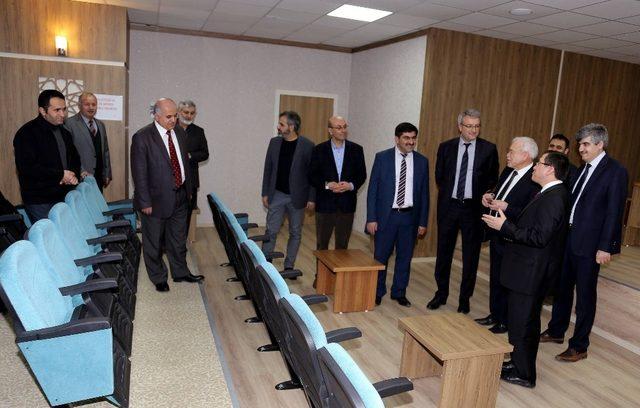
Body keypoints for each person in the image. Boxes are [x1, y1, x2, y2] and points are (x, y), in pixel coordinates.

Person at [483, 151, 570, 388]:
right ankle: (517, 362)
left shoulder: (555, 197)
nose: (534, 168)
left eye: (539, 164)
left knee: (523, 325)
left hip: (531, 272)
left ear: (550, 169)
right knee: (520, 322)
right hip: (525, 270)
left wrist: (504, 227)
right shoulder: (548, 193)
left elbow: (539, 237)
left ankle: (524, 374)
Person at [541, 123, 628, 362]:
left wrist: (605, 247)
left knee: (585, 298)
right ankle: (556, 330)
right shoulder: (582, 169)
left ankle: (579, 346)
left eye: (586, 144)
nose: (581, 148)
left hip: (590, 246)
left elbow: (614, 212)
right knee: (562, 290)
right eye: (580, 144)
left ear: (600, 144)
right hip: (569, 240)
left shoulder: (615, 171)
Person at [428, 109, 499, 314]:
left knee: (471, 256)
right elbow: (440, 176)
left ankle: (464, 298)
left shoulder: (488, 149)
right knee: (444, 252)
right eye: (469, 126)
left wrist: (485, 193)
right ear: (460, 127)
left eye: (477, 126)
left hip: (473, 209)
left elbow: (493, 178)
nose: (473, 130)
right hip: (449, 207)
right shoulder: (446, 147)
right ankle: (441, 293)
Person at [131, 98, 204, 292]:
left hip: (180, 195)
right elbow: (139, 173)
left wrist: (188, 190)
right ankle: (158, 277)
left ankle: (180, 272)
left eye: (175, 116)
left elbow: (184, 163)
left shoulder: (179, 132)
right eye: (168, 116)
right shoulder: (142, 137)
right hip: (154, 200)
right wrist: (144, 201)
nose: (173, 120)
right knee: (154, 242)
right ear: (156, 116)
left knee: (178, 239)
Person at [476, 137, 540, 334]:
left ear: (525, 155)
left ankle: (505, 320)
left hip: (514, 236)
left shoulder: (535, 178)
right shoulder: (508, 171)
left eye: (512, 151)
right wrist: (490, 195)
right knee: (496, 277)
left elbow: (531, 212)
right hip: (497, 232)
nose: (507, 155)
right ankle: (495, 314)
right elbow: (500, 191)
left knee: (507, 281)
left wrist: (507, 207)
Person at [366, 122, 429, 307]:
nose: (411, 142)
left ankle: (399, 292)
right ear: (397, 139)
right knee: (381, 256)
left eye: (413, 138)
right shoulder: (382, 158)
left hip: (410, 217)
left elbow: (425, 194)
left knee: (405, 257)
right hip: (387, 217)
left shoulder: (422, 161)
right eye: (406, 138)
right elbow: (372, 191)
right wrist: (371, 218)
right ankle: (377, 291)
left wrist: (423, 221)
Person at [13, 89, 81, 222]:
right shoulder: (26, 133)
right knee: (49, 234)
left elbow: (75, 159)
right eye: (57, 110)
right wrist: (60, 175)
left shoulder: (65, 133)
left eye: (64, 109)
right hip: (39, 200)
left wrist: (73, 176)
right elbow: (27, 168)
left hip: (62, 196)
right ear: (42, 111)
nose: (62, 114)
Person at [261, 111, 315, 271]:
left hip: (298, 197)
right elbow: (268, 169)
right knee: (271, 230)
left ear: (291, 127)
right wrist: (265, 192)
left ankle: (289, 266)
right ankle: (265, 264)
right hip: (277, 194)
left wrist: (311, 198)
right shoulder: (274, 143)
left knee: (295, 232)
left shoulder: (307, 145)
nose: (278, 127)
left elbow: (312, 175)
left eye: (282, 124)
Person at [309, 116, 367, 251]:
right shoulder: (319, 149)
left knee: (342, 246)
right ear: (330, 130)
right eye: (339, 127)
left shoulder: (357, 149)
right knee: (322, 245)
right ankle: (322, 267)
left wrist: (350, 185)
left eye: (345, 127)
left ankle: (339, 267)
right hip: (325, 204)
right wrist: (327, 185)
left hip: (347, 205)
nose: (343, 130)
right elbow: (312, 175)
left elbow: (361, 175)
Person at [65, 92, 112, 192]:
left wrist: (107, 173)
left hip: (98, 178)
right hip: (80, 177)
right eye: (87, 104)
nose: (91, 107)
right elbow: (68, 153)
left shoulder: (100, 125)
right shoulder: (69, 124)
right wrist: (81, 171)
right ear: (79, 105)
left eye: (94, 104)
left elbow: (105, 151)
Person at [177, 100, 209, 235]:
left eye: (192, 113)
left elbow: (205, 154)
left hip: (191, 181)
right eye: (186, 112)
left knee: (187, 213)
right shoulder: (170, 129)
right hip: (171, 181)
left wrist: (190, 155)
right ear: (179, 112)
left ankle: (182, 242)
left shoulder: (198, 131)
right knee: (171, 213)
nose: (189, 116)